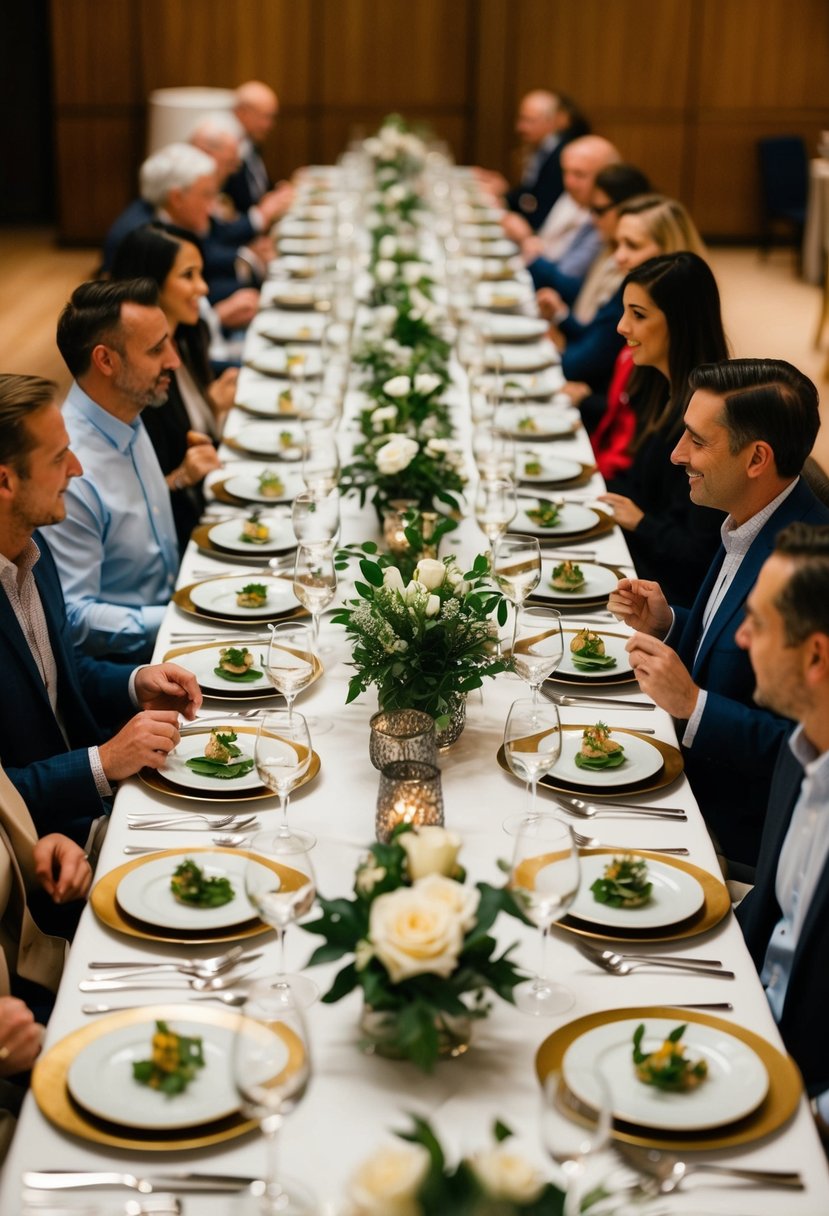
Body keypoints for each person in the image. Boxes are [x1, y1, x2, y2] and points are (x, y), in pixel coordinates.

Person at [608, 359, 829, 869]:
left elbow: (803, 751)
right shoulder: (747, 516)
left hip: (727, 829)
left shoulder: (810, 571)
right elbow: (727, 647)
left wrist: (693, 704)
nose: (677, 454)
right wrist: (669, 624)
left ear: (756, 459)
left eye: (697, 441)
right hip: (686, 776)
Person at [0, 373, 201, 846]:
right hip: (47, 848)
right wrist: (103, 761)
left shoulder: (34, 548)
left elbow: (64, 674)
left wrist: (136, 683)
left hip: (103, 800)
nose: (77, 468)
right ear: (5, 481)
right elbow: (5, 789)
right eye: (57, 458)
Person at [733, 523, 829, 1120]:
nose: (740, 638)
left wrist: (806, 1124)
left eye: (759, 624)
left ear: (816, 655)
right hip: (746, 1024)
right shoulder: (803, 753)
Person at [50, 279, 182, 661]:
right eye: (157, 349)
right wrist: (177, 619)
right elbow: (73, 616)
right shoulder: (71, 468)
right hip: (125, 673)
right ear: (105, 361)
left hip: (170, 628)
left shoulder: (130, 412)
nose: (173, 360)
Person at [595, 253, 728, 605]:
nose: (621, 326)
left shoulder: (708, 416)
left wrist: (640, 522)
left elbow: (700, 552)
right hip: (642, 556)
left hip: (665, 593)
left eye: (638, 315)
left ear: (680, 322)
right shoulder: (659, 386)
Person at [110, 224, 236, 550]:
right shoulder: (137, 377)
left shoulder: (188, 336)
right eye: (188, 275)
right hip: (174, 537)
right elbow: (125, 508)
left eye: (201, 273)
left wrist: (214, 408)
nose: (204, 287)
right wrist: (182, 475)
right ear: (149, 283)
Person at [578, 195, 708, 463]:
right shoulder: (629, 295)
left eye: (632, 245)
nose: (618, 257)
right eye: (617, 243)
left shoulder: (686, 387)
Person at [102, 144, 261, 328]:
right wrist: (214, 318)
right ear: (176, 198)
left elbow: (204, 270)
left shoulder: (174, 216)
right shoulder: (140, 237)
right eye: (206, 195)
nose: (211, 207)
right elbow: (145, 323)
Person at [533, 163, 651, 390]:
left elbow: (590, 361)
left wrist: (557, 346)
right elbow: (596, 329)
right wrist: (561, 316)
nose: (620, 256)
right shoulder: (608, 249)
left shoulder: (633, 280)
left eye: (598, 211)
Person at [502, 136, 620, 280]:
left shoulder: (604, 216)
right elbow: (545, 242)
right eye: (565, 172)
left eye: (579, 174)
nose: (568, 182)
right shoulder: (569, 198)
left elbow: (568, 279)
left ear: (606, 177)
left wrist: (525, 239)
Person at [475, 90, 589, 230]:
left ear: (551, 121)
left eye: (529, 120)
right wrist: (506, 193)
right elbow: (531, 193)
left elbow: (540, 208)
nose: (520, 127)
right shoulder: (542, 148)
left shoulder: (563, 155)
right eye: (521, 119)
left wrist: (507, 196)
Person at [225, 80, 294, 216]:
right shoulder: (227, 147)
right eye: (266, 117)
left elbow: (258, 190)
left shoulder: (251, 140)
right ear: (243, 112)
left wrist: (276, 194)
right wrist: (262, 213)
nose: (270, 125)